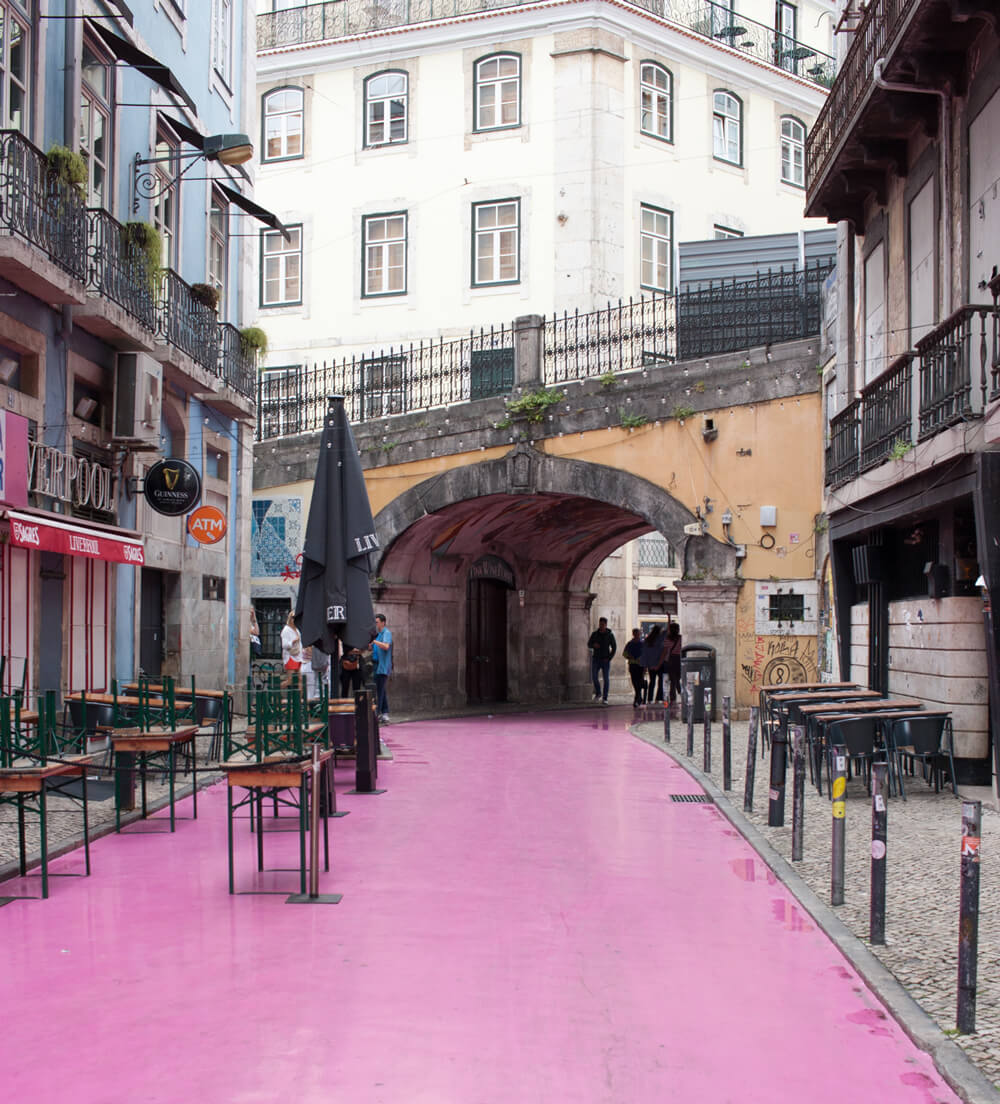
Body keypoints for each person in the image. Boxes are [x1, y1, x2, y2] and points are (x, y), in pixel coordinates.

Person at [587, 616, 617, 704]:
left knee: (606, 679)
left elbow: (614, 647)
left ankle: (605, 698)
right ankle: (598, 693)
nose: (601, 626)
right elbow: (589, 644)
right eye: (600, 624)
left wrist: (609, 658)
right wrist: (593, 645)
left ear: (606, 625)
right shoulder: (594, 634)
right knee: (594, 677)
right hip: (596, 659)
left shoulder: (610, 635)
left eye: (603, 624)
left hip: (605, 660)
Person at [372, 613, 393, 722]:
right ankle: (385, 713)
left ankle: (377, 714)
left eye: (377, 622)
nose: (376, 624)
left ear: (383, 623)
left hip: (382, 666)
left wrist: (374, 641)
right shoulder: (379, 634)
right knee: (381, 689)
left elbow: (385, 646)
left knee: (379, 691)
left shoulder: (386, 633)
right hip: (376, 664)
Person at [640, 624, 664, 703]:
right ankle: (659, 698)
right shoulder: (661, 640)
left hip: (650, 665)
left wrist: (645, 666)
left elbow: (645, 654)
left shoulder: (647, 641)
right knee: (660, 682)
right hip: (659, 664)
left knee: (652, 682)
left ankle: (650, 699)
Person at [622, 627, 646, 708]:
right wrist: (630, 657)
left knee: (639, 682)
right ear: (633, 634)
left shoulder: (642, 644)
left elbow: (646, 654)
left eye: (638, 633)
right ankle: (638, 697)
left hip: (640, 665)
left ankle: (637, 698)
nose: (637, 635)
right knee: (635, 682)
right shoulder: (630, 644)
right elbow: (624, 654)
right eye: (635, 633)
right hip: (632, 665)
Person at [280, 611, 302, 688]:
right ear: (290, 618)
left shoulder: (297, 630)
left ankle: (299, 699)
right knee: (290, 680)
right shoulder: (286, 630)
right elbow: (284, 645)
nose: (294, 619)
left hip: (298, 656)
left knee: (300, 679)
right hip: (290, 657)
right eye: (292, 617)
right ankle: (276, 692)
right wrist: (293, 641)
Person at [663, 621, 683, 705]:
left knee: (673, 679)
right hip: (678, 659)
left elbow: (665, 651)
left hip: (670, 660)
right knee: (677, 678)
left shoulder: (667, 639)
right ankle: (680, 692)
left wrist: (664, 660)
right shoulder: (681, 638)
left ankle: (673, 697)